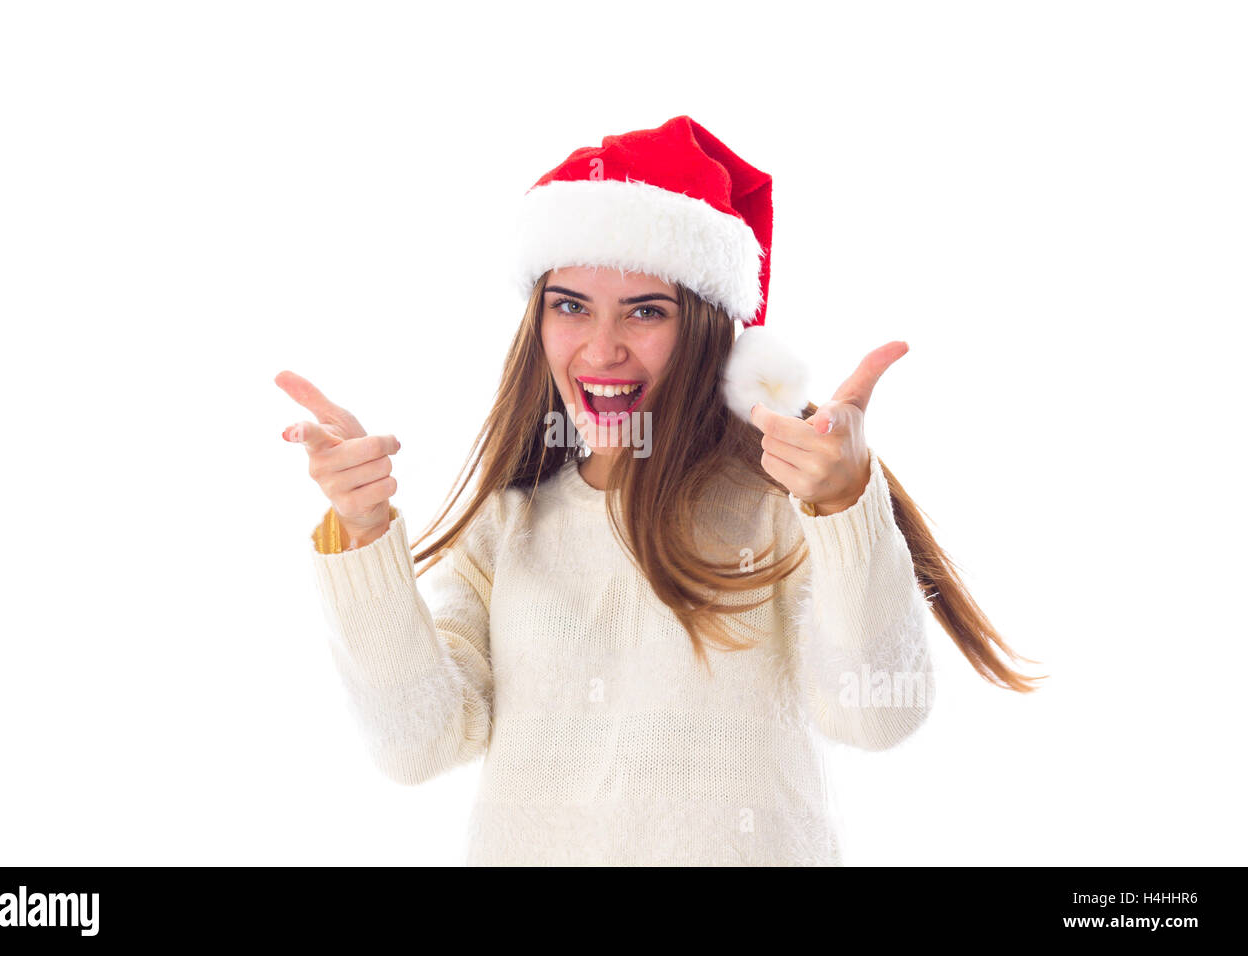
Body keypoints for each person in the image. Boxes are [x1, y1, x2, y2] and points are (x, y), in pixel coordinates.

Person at [275, 115, 1044, 866]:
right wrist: (366, 531)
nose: (601, 348)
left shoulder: (781, 506)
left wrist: (844, 507)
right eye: (570, 306)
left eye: (646, 312)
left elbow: (879, 715)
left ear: (709, 328)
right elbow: (418, 745)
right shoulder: (508, 526)